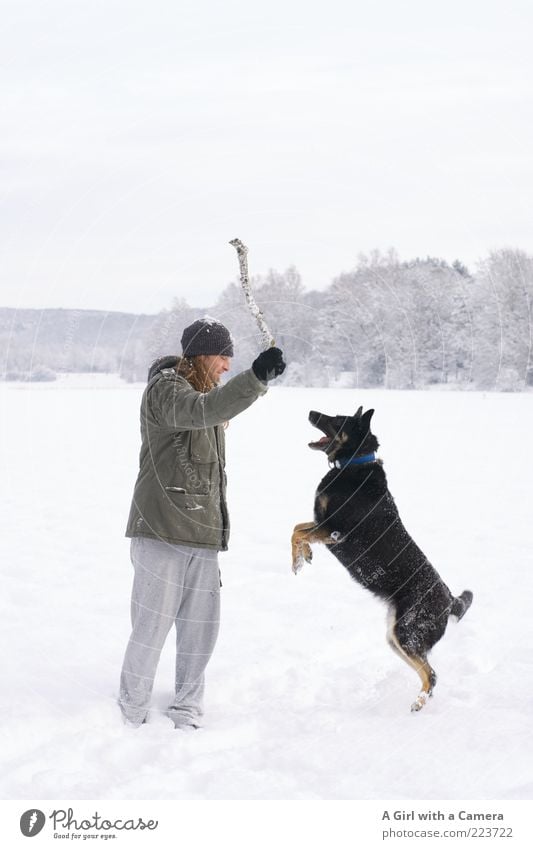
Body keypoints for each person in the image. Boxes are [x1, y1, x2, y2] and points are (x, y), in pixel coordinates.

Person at [118, 317, 286, 729]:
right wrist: (256, 379)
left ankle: (187, 709)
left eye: (232, 357)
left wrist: (253, 384)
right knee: (151, 628)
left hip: (203, 533)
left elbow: (214, 410)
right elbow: (201, 411)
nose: (229, 364)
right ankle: (130, 713)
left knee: (200, 631)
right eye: (224, 355)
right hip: (161, 532)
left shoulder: (203, 393)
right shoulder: (166, 392)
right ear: (201, 354)